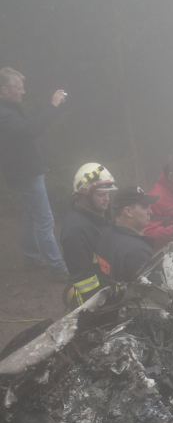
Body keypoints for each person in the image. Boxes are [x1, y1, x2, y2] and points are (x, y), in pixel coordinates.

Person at [0, 67, 68, 282]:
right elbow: (31, 130)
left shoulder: (10, 108)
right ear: (4, 90)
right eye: (19, 88)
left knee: (31, 215)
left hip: (27, 172)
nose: (23, 92)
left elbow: (27, 129)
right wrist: (53, 106)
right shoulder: (4, 115)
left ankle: (30, 258)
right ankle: (58, 268)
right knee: (45, 221)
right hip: (26, 175)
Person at [60, 163, 117, 310]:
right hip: (92, 299)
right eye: (101, 194)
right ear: (85, 195)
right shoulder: (75, 230)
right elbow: (83, 280)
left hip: (109, 284)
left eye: (108, 194)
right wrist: (102, 306)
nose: (107, 199)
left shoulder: (98, 214)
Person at [96, 186, 159, 285]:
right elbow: (157, 294)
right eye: (144, 207)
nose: (150, 211)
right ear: (128, 211)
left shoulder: (105, 235)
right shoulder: (137, 252)